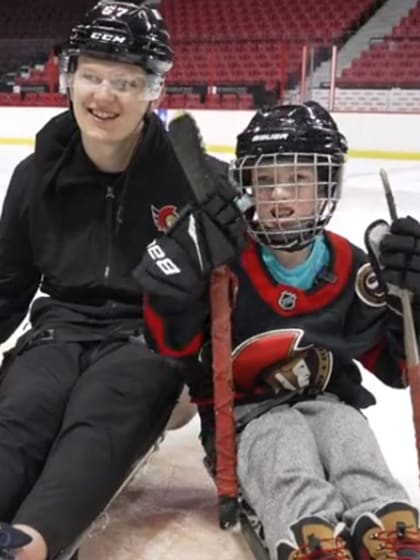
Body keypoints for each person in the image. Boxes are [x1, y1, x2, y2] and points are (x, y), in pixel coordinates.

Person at [137, 102, 420, 560]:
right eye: (266, 181)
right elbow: (174, 345)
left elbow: (396, 365)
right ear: (246, 187)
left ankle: (384, 516)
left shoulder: (352, 267)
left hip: (328, 399)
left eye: (299, 180)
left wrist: (413, 307)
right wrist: (178, 285)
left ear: (327, 184)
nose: (280, 195)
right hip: (247, 418)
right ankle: (310, 530)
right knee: (282, 441)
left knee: (348, 431)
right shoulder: (224, 265)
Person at [0, 1, 208, 559]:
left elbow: (217, 296)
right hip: (59, 331)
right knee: (22, 411)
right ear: (69, 78)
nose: (104, 95)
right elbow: (8, 287)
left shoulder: (189, 179)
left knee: (99, 420)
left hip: (147, 338)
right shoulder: (33, 176)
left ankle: (29, 546)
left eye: (125, 81)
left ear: (153, 90)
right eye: (91, 76)